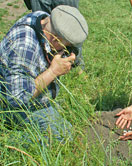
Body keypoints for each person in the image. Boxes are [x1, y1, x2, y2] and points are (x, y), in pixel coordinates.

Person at [0, 5, 88, 141]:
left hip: (25, 94)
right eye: (67, 45)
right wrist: (53, 71)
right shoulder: (24, 47)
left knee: (64, 126)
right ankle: (9, 143)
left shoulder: (44, 19)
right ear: (55, 38)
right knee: (63, 136)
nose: (69, 50)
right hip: (8, 105)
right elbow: (16, 99)